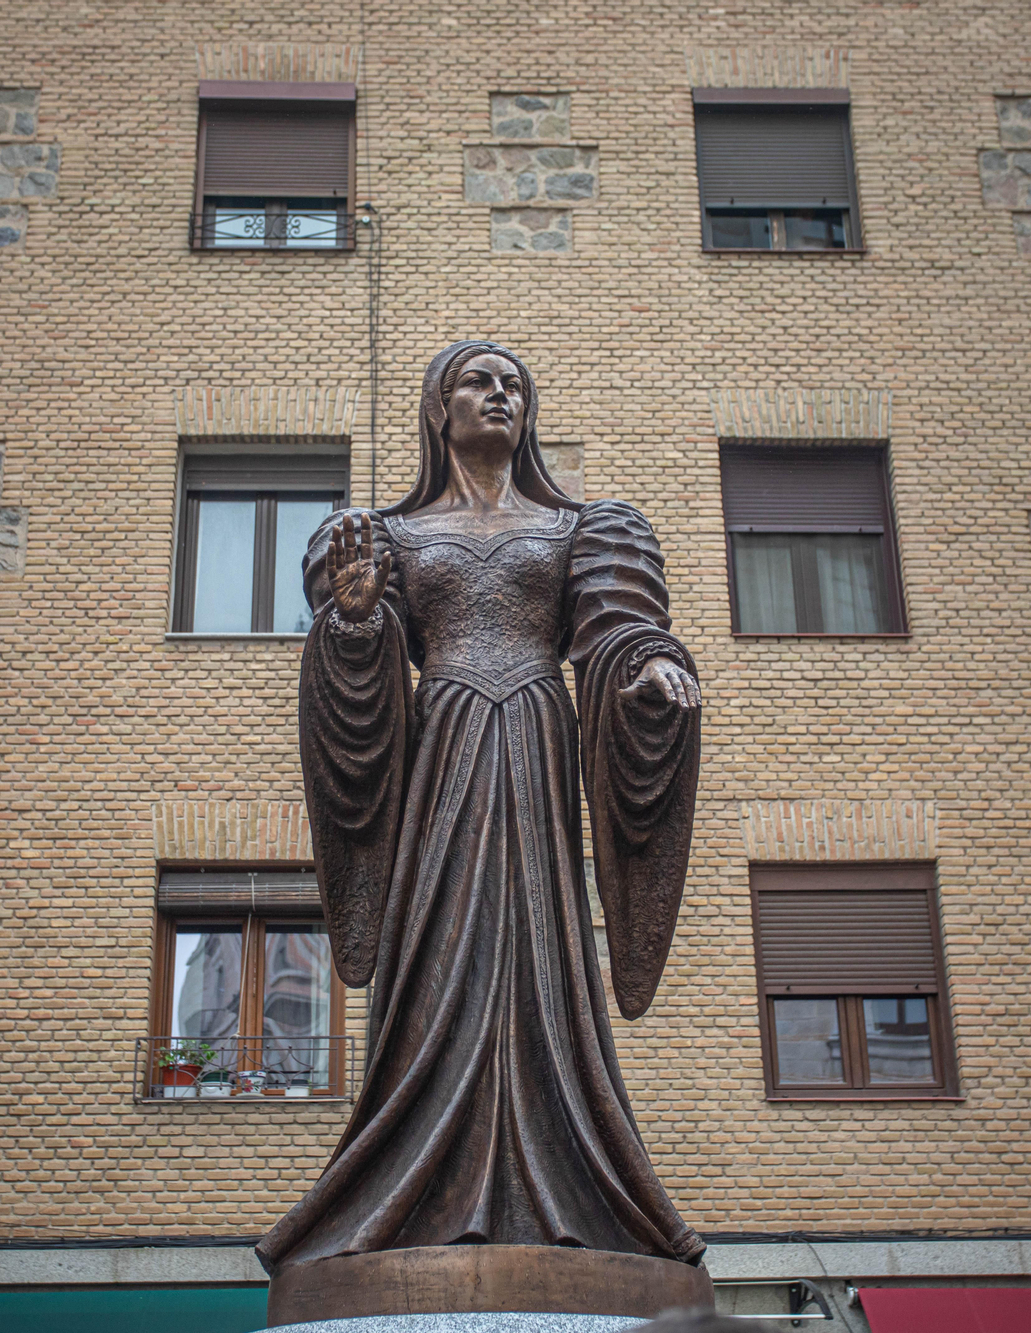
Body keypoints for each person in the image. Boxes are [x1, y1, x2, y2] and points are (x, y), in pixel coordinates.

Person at [256, 342, 705, 1272]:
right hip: (447, 750)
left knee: (542, 947)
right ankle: (415, 1171)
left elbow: (618, 632)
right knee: (439, 948)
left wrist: (649, 672)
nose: (500, 396)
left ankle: (569, 1175)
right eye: (479, 382)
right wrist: (354, 619)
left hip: (538, 749)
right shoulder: (388, 535)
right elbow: (359, 676)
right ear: (437, 408)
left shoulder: (584, 526)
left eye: (515, 387)